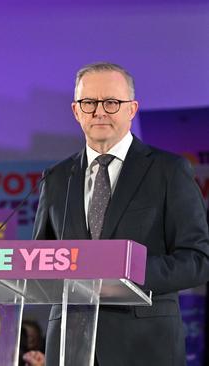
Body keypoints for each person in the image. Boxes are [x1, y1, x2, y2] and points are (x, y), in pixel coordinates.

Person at [33, 62, 209, 365]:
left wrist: (123, 276)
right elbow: (40, 259)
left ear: (132, 109)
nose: (99, 111)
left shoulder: (169, 171)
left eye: (112, 102)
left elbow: (197, 260)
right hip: (69, 347)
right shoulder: (57, 178)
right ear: (76, 111)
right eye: (89, 103)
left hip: (144, 347)